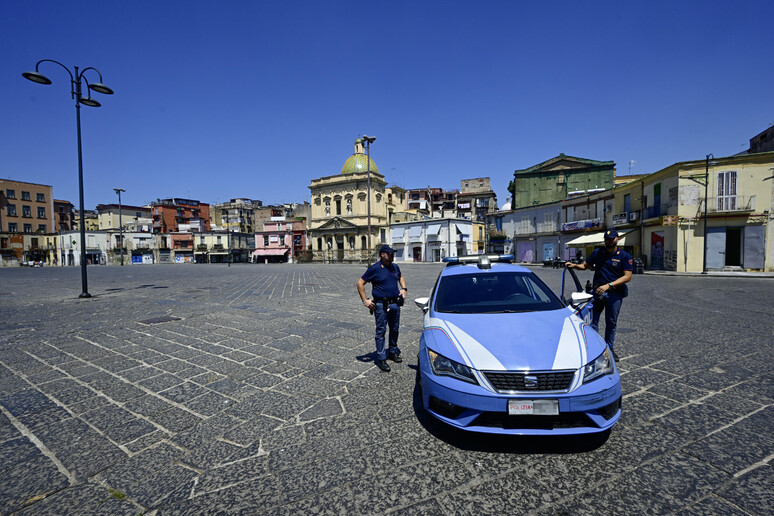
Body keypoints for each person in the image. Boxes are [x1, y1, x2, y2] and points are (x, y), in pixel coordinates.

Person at [566, 229, 632, 361]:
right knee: (592, 321)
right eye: (606, 239)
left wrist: (609, 285)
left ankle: (609, 349)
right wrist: (573, 265)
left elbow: (627, 276)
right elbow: (585, 265)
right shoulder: (598, 252)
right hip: (597, 293)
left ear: (617, 239)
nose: (608, 241)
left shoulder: (624, 256)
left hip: (614, 295)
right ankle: (594, 348)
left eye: (611, 239)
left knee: (611, 322)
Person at [356, 245, 407, 372]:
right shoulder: (375, 268)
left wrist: (404, 289)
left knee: (395, 329)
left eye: (393, 253)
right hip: (381, 305)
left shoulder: (395, 267)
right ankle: (381, 357)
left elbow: (400, 276)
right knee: (381, 331)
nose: (392, 255)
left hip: (395, 303)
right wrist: (365, 300)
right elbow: (360, 283)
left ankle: (393, 352)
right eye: (389, 253)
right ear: (382, 254)